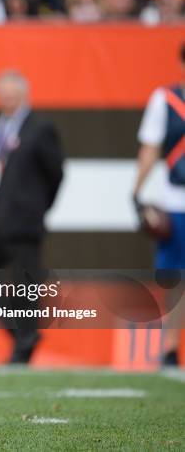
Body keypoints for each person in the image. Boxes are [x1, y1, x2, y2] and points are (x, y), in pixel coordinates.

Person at [0, 70, 63, 364]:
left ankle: (23, 348)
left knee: (26, 287)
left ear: (24, 94)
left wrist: (37, 207)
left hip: (24, 221)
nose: (7, 100)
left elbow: (56, 174)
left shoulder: (40, 127)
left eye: (13, 94)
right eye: (3, 95)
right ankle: (24, 335)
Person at [133, 43, 185, 367]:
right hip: (176, 200)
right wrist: (136, 190)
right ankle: (169, 346)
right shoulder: (164, 100)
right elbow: (150, 148)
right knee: (175, 278)